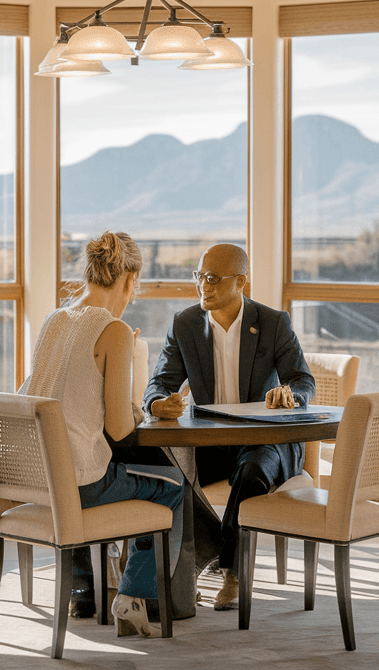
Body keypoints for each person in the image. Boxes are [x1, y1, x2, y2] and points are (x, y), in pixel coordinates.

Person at [22, 231, 182, 638]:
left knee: (92, 464)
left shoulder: (55, 320)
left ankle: (83, 589)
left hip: (36, 479)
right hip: (79, 488)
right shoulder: (114, 331)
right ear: (130, 281)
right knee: (174, 486)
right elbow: (118, 428)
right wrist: (135, 400)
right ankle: (133, 594)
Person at [142, 243, 315, 610]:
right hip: (211, 443)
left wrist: (289, 395)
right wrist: (159, 403)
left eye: (213, 279)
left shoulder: (272, 323)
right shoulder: (185, 324)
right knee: (166, 472)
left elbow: (303, 380)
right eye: (199, 276)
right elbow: (159, 382)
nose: (203, 286)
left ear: (241, 281)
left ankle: (232, 570)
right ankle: (218, 549)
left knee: (250, 471)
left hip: (265, 442)